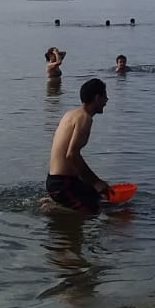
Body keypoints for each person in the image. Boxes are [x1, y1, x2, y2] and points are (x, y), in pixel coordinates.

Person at [46, 78, 111, 214]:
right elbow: (72, 154)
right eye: (105, 96)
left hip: (61, 180)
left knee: (99, 200)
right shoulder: (84, 118)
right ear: (97, 98)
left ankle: (58, 203)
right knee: (91, 212)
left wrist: (91, 183)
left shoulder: (71, 114)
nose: (106, 101)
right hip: (62, 184)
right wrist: (96, 182)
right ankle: (54, 209)